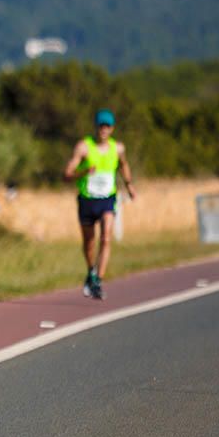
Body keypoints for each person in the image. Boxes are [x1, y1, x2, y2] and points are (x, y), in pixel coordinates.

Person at [63, 109, 136, 300]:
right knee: (89, 242)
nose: (104, 129)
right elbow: (67, 174)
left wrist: (129, 185)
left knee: (106, 238)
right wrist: (84, 171)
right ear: (96, 127)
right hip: (87, 200)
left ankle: (98, 280)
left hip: (107, 199)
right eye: (101, 125)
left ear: (112, 128)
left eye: (107, 126)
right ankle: (91, 270)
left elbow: (124, 165)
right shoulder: (84, 147)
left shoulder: (118, 148)